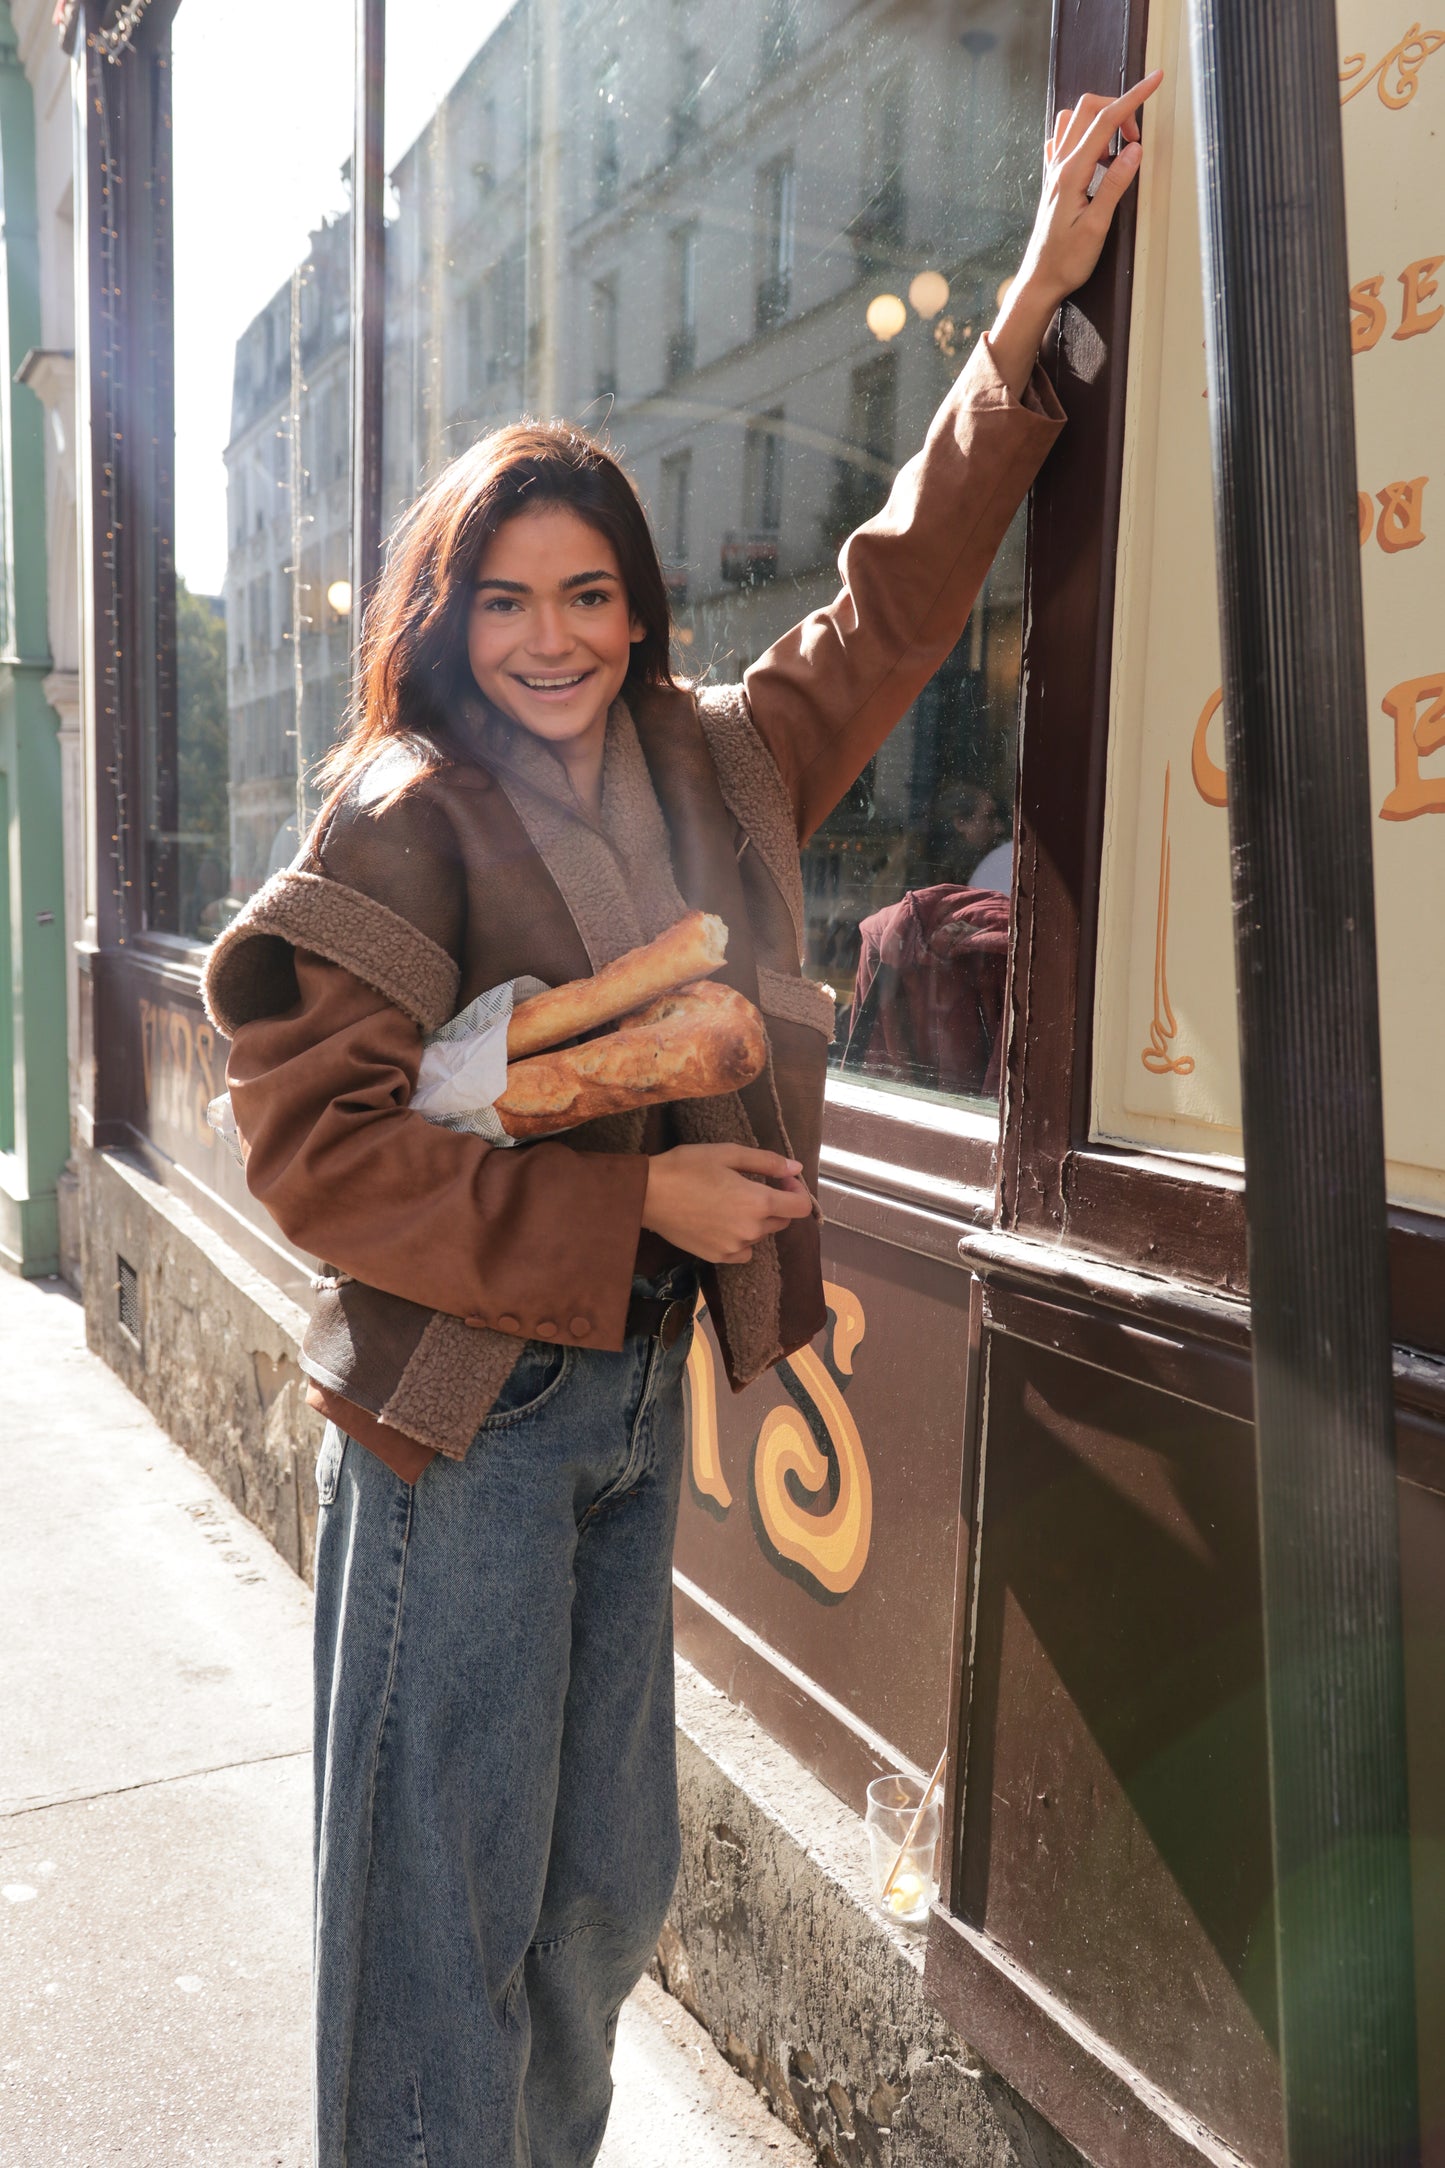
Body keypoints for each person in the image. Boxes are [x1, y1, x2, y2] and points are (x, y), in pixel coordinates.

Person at [201, 76, 1159, 2168]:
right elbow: (309, 1149)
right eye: (506, 601)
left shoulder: (716, 766)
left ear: (642, 608)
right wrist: (641, 1187)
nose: (550, 639)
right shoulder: (404, 813)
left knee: (592, 1900)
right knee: (434, 1925)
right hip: (461, 1420)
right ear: (445, 620)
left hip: (629, 1404)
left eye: (591, 596)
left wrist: (1022, 331)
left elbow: (894, 608)